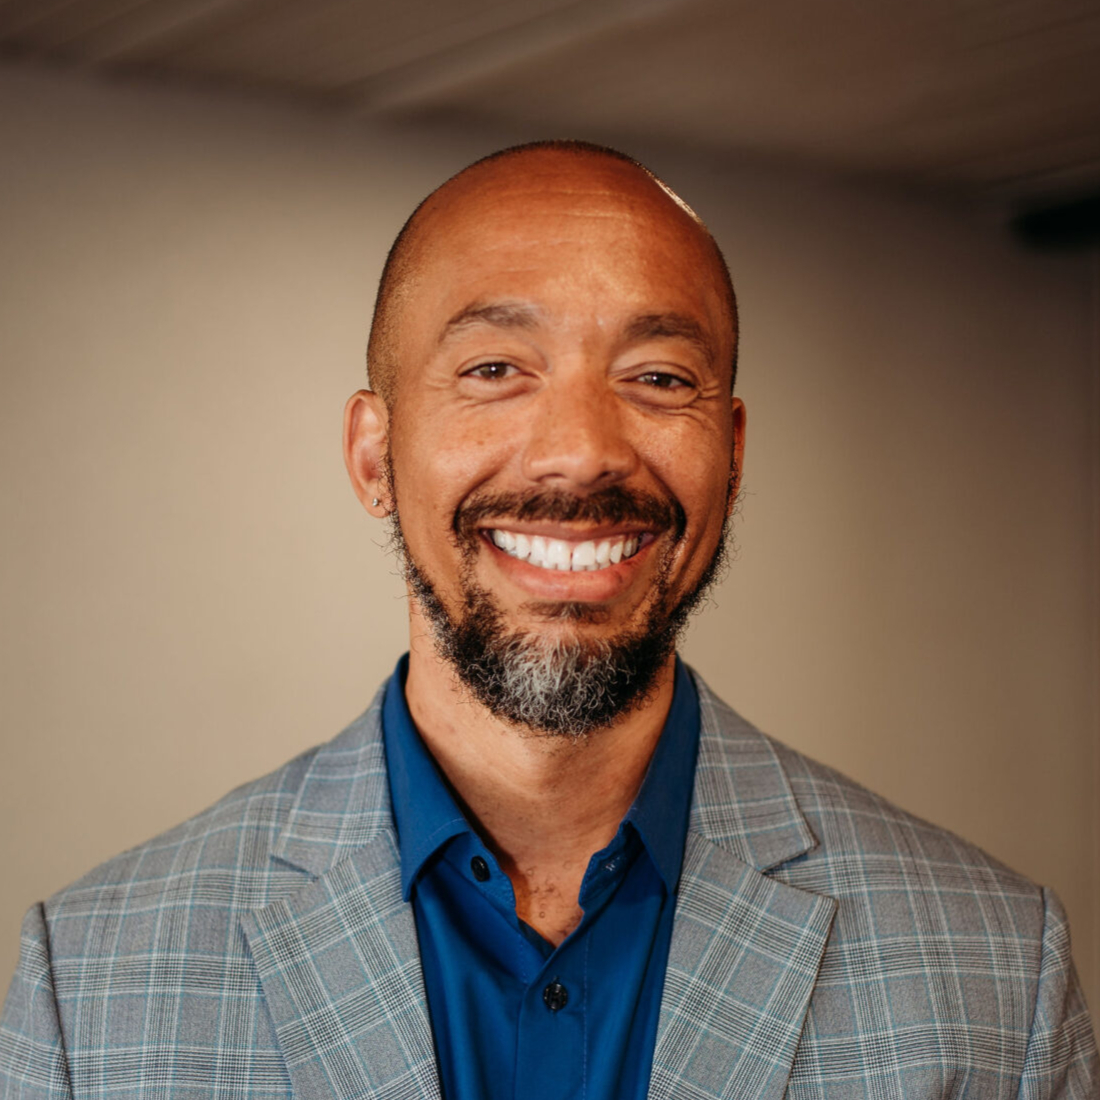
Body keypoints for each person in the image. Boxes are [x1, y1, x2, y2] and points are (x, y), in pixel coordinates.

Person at [1, 140, 1095, 1100]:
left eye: (657, 376)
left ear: (731, 455)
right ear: (374, 457)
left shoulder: (997, 971)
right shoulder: (90, 983)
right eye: (494, 369)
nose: (580, 451)